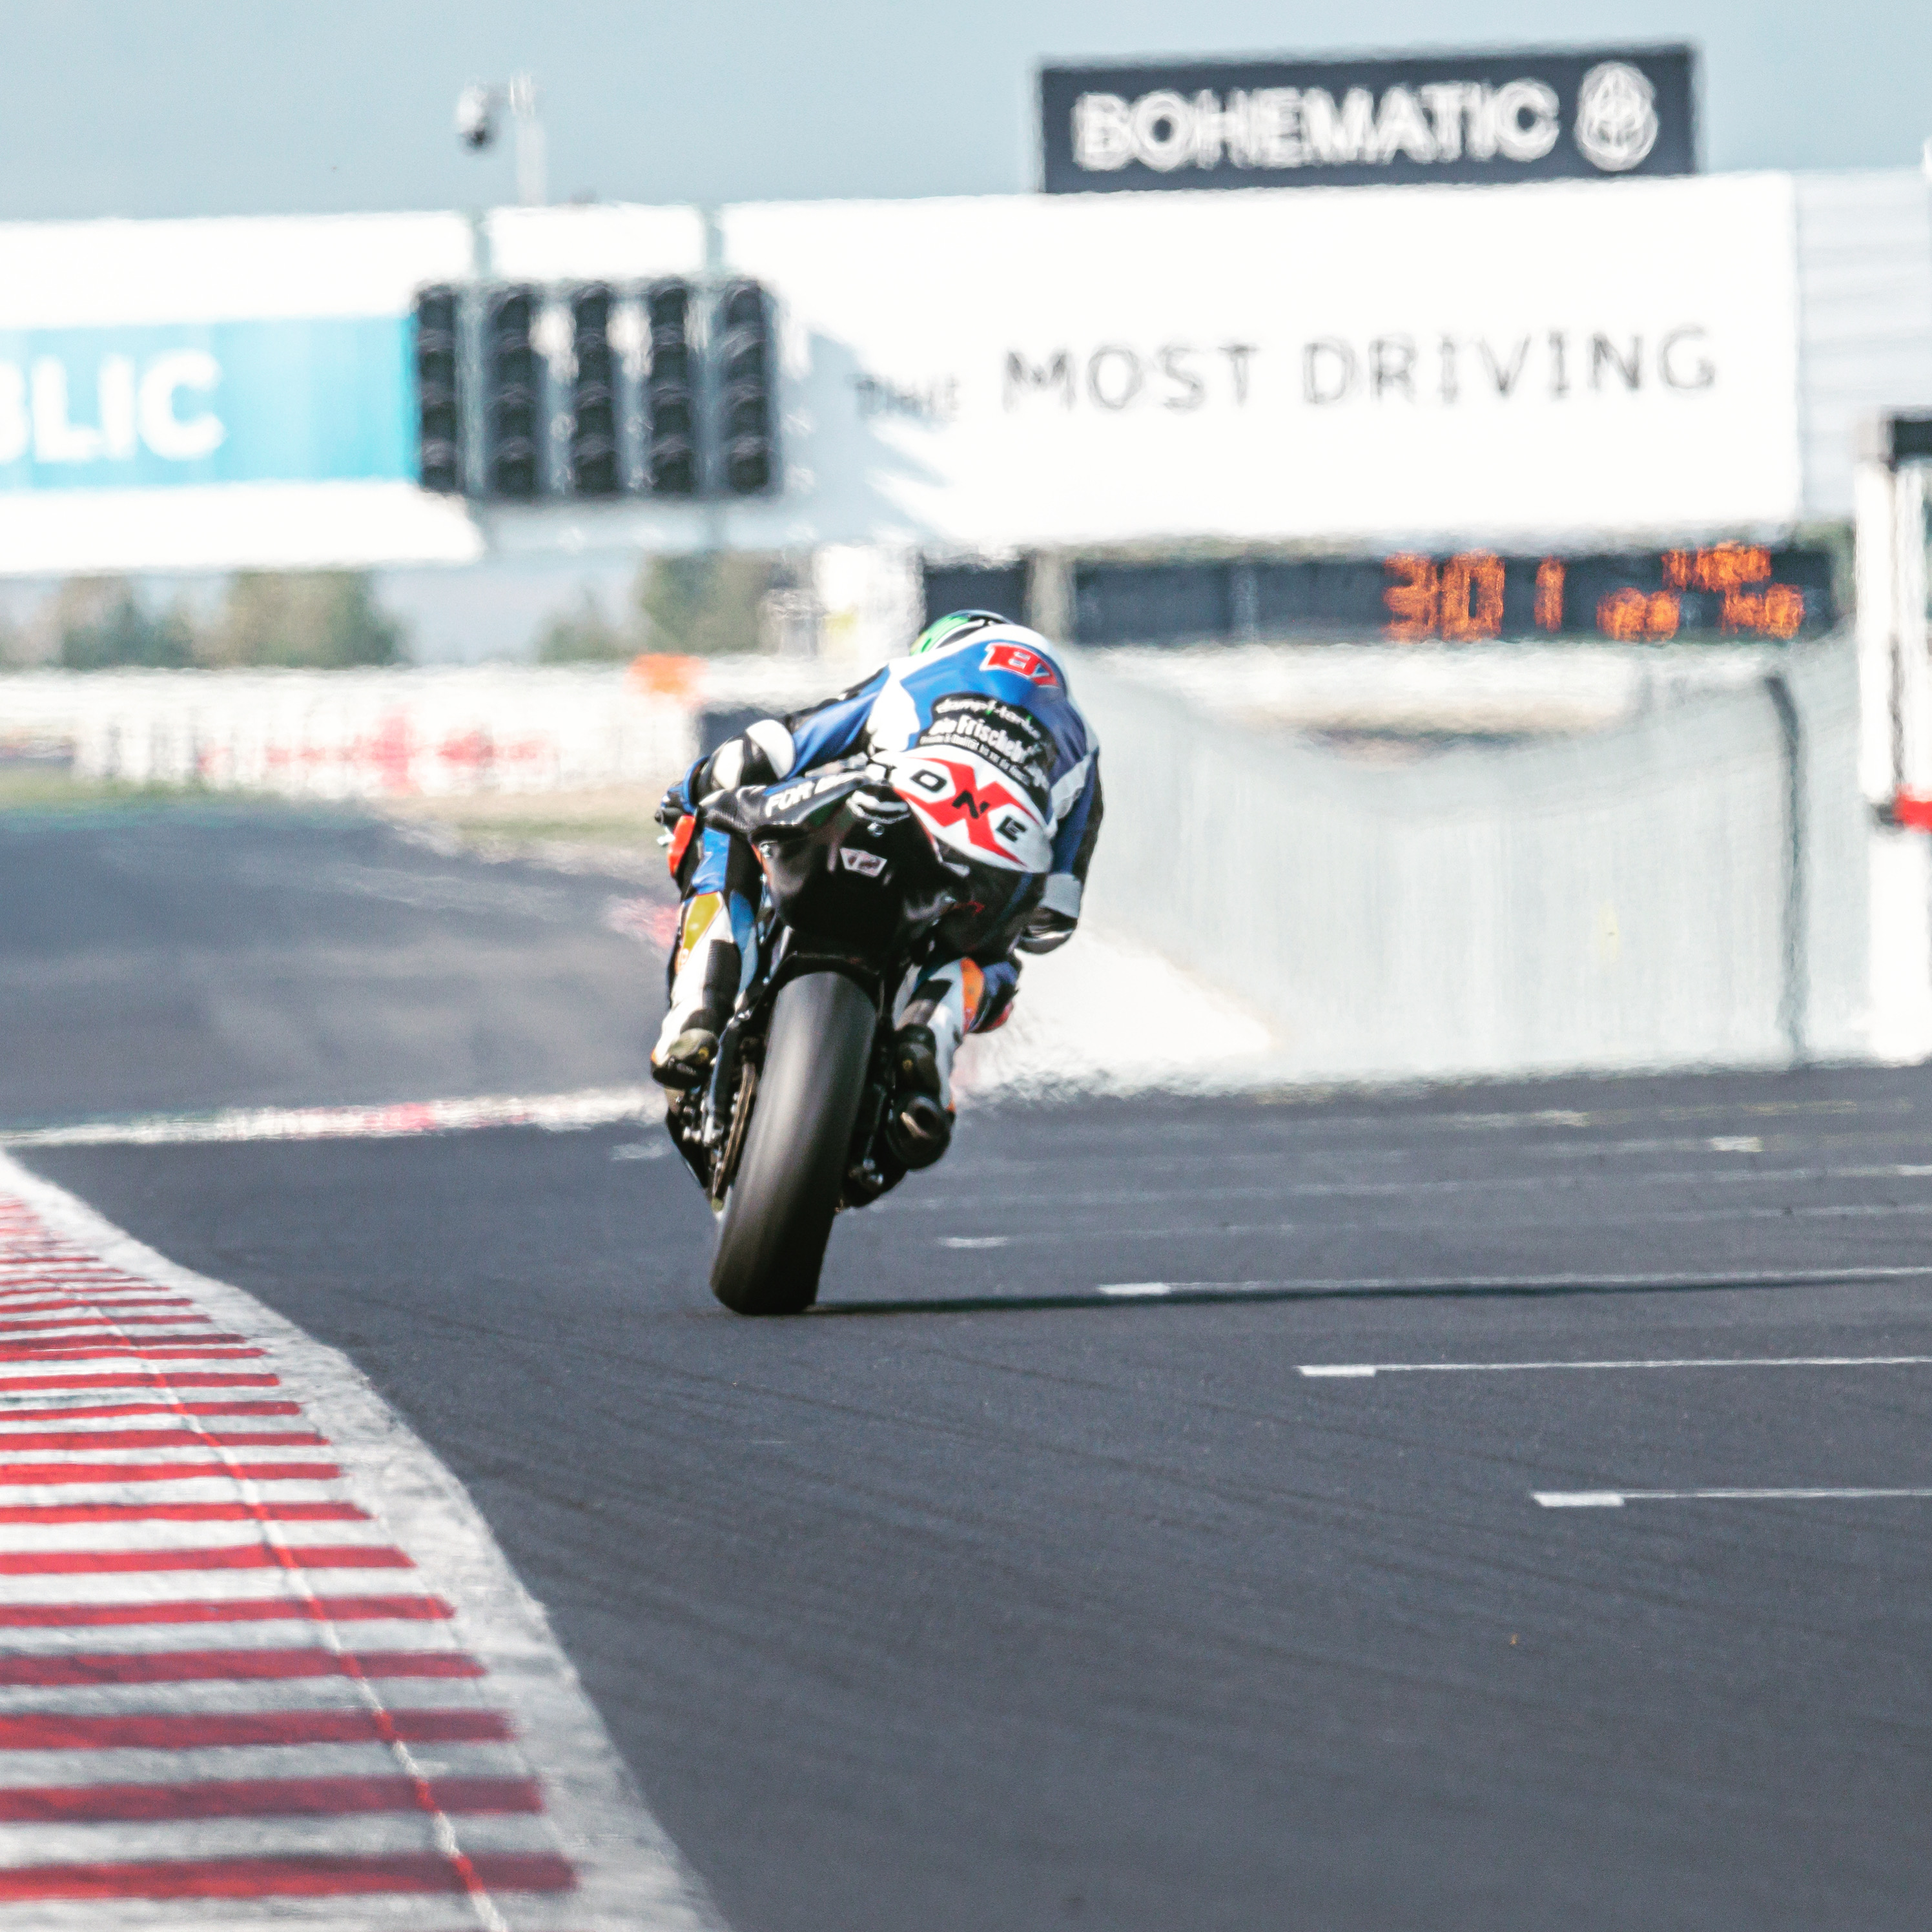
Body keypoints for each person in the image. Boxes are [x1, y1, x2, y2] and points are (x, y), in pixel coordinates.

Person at [652, 610, 1103, 1164]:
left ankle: (701, 1002)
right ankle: (930, 1031)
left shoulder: (919, 673)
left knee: (724, 821)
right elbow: (1056, 911)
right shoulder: (1079, 737)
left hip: (894, 808)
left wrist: (691, 789)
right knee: (993, 963)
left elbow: (771, 748)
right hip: (1001, 863)